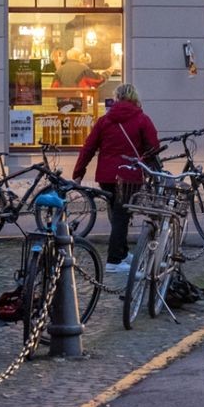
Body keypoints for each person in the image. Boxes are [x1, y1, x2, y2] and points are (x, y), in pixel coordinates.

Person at [72, 83, 160, 274]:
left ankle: (122, 252)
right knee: (122, 216)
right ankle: (114, 260)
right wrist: (150, 167)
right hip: (129, 174)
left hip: (106, 176)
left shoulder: (105, 120)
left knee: (118, 214)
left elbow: (88, 147)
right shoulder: (142, 119)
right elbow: (153, 147)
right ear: (134, 97)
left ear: (117, 98)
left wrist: (78, 173)